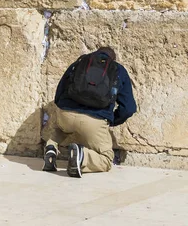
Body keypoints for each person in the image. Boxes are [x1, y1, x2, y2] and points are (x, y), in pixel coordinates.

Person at [42, 46, 137, 177]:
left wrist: (64, 108)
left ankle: (51, 147)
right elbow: (129, 108)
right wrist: (111, 119)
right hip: (95, 121)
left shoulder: (81, 62)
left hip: (66, 115)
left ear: (96, 53)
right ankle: (83, 157)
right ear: (112, 59)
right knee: (106, 158)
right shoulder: (118, 70)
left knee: (60, 127)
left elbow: (60, 91)